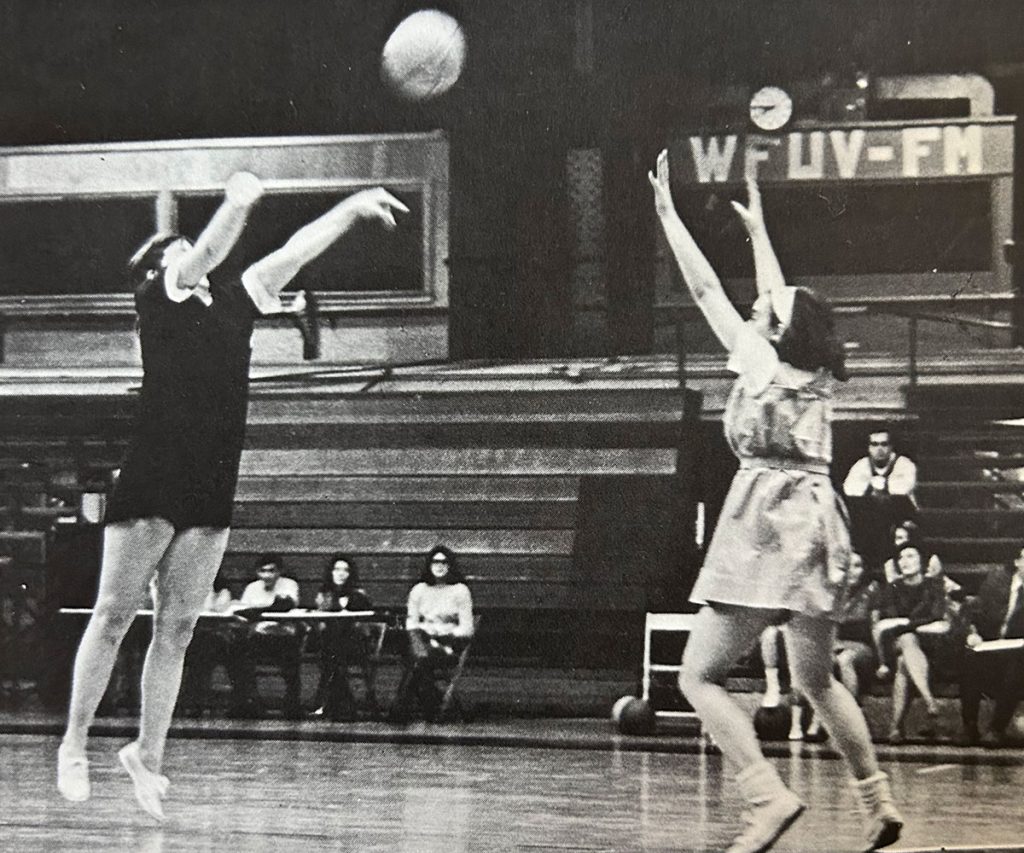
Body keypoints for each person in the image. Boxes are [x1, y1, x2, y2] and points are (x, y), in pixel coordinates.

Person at [56, 172, 408, 820]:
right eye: (178, 250)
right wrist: (237, 203)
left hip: (212, 476)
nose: (190, 254)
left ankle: (147, 756)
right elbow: (204, 253)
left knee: (181, 626)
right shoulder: (159, 294)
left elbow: (295, 250)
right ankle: (74, 742)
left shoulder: (237, 300)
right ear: (159, 270)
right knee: (112, 615)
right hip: (154, 470)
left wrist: (351, 209)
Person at [649, 155, 902, 853]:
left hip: (769, 514)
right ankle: (877, 804)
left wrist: (669, 216)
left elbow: (705, 288)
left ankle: (765, 796)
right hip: (819, 519)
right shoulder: (813, 368)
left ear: (778, 330)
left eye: (766, 310)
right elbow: (778, 295)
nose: (759, 305)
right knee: (816, 680)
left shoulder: (760, 360)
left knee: (699, 674)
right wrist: (761, 231)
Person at [388, 546, 475, 724]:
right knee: (416, 655)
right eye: (435, 561)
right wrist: (424, 631)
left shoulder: (460, 590)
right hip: (422, 640)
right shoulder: (419, 590)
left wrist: (444, 632)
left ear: (450, 565)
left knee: (416, 661)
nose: (439, 565)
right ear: (429, 564)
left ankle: (400, 710)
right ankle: (430, 706)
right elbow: (411, 622)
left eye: (444, 562)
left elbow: (467, 628)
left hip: (447, 644)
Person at [873, 544, 947, 744]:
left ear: (921, 560)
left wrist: (907, 623)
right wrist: (913, 625)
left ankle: (896, 727)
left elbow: (937, 615)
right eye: (901, 557)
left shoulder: (933, 586)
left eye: (911, 556)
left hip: (927, 646)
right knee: (906, 640)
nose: (904, 561)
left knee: (903, 664)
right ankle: (929, 700)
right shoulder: (893, 587)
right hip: (896, 642)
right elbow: (889, 618)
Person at [957, 547, 1024, 746]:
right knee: (970, 657)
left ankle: (997, 728)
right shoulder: (996, 581)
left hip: (1019, 654)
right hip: (992, 646)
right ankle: (969, 726)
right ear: (1017, 562)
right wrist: (972, 633)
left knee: (1017, 664)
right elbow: (974, 611)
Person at [231, 553, 304, 720]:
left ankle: (293, 705)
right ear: (258, 572)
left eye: (272, 571)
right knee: (237, 652)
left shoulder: (288, 584)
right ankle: (250, 702)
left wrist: (255, 612)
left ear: (279, 572)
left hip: (283, 636)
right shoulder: (252, 588)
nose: (267, 575)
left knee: (292, 658)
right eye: (263, 571)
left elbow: (284, 605)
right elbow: (243, 614)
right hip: (260, 636)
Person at [311, 553, 378, 721]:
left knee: (332, 657)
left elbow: (366, 623)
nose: (341, 573)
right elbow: (320, 623)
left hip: (356, 645)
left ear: (350, 574)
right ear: (331, 572)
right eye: (337, 569)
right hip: (332, 646)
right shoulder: (324, 595)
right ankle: (345, 705)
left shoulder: (359, 595)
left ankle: (330, 704)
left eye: (345, 570)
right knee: (332, 654)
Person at [843, 431, 918, 574]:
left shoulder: (904, 464)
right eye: (874, 444)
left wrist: (874, 487)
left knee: (890, 505)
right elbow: (851, 491)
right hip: (872, 521)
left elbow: (900, 492)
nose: (879, 449)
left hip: (900, 519)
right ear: (869, 448)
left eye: (884, 444)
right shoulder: (861, 465)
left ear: (891, 447)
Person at [832, 552, 880, 702]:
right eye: (847, 566)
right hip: (834, 648)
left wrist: (883, 661)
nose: (851, 571)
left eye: (857, 566)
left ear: (864, 569)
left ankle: (852, 712)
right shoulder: (833, 593)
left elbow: (875, 627)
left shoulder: (871, 591)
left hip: (861, 650)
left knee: (845, 659)